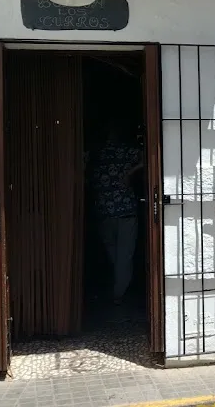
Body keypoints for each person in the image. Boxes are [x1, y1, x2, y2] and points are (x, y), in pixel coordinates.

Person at [91, 124, 144, 316]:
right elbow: (150, 156)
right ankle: (118, 294)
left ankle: (117, 292)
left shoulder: (95, 153)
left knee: (114, 256)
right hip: (125, 211)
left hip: (104, 212)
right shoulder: (126, 151)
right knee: (124, 256)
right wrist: (131, 172)